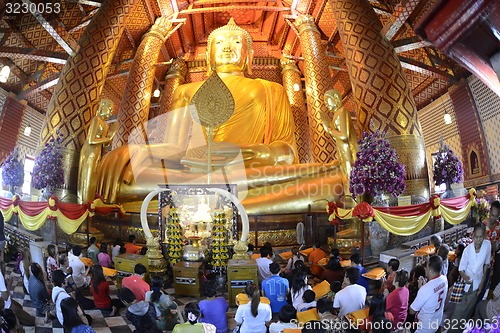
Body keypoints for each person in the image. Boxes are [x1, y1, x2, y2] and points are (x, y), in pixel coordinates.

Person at [95, 18, 343, 215]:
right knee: (128, 181)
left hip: (249, 171)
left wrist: (250, 153)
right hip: (191, 171)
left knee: (330, 178)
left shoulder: (271, 89)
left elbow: (286, 151)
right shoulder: (186, 91)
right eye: (220, 42)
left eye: (236, 43)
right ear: (210, 54)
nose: (227, 47)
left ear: (248, 55)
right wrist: (134, 151)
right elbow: (173, 147)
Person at [449, 223, 491, 330]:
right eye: (476, 237)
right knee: (458, 314)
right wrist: (466, 277)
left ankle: (463, 329)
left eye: (481, 237)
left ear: (484, 236)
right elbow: (461, 269)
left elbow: (486, 264)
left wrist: (482, 282)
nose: (478, 240)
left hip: (477, 284)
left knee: (468, 311)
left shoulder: (487, 245)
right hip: (466, 285)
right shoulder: (468, 250)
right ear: (472, 236)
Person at [77, 98, 117, 203]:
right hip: (90, 152)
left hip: (97, 153)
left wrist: (110, 136)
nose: (111, 112)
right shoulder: (96, 119)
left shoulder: (104, 124)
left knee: (93, 179)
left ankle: (90, 204)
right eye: (109, 108)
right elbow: (91, 139)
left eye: (112, 111)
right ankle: (85, 204)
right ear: (102, 107)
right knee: (88, 178)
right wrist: (107, 139)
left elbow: (104, 144)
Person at [320, 89, 359, 194]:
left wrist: (329, 129)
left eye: (327, 100)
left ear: (336, 99)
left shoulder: (342, 111)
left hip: (349, 153)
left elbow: (344, 136)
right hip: (343, 152)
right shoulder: (336, 114)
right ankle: (350, 201)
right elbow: (337, 138)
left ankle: (355, 202)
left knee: (350, 178)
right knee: (345, 178)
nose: (326, 104)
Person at [409, 256, 447, 333]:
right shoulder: (444, 279)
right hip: (436, 322)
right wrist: (425, 286)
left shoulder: (424, 290)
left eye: (426, 266)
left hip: (424, 328)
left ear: (431, 270)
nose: (425, 269)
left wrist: (421, 289)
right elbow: (433, 291)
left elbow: (412, 311)